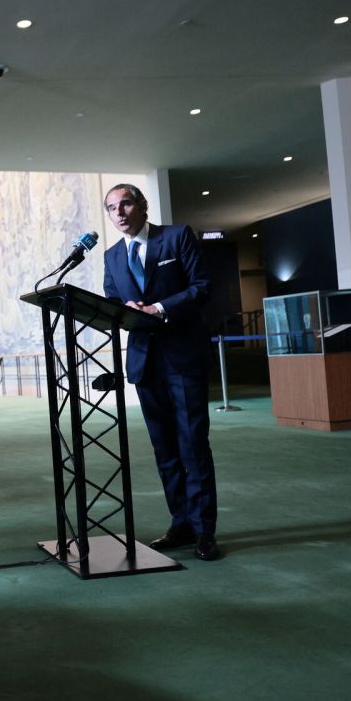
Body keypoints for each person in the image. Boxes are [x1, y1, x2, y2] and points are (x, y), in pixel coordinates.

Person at [101, 183, 221, 561]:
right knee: (164, 449)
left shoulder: (177, 236)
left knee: (192, 445)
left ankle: (204, 531)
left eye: (125, 204)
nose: (119, 213)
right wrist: (124, 310)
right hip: (144, 363)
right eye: (111, 208)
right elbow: (112, 301)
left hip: (183, 357)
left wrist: (159, 308)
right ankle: (181, 523)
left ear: (143, 206)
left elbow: (202, 287)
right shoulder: (111, 257)